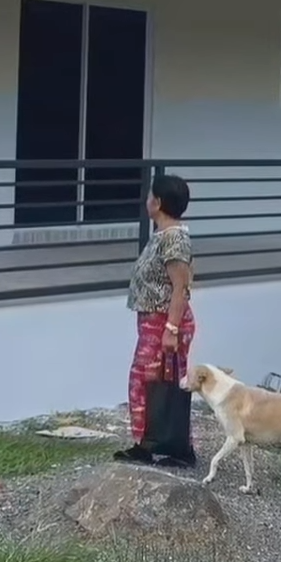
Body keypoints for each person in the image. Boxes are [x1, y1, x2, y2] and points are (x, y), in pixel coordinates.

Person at [115, 172, 195, 465]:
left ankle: (171, 446)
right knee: (149, 382)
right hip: (154, 321)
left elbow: (180, 287)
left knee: (154, 383)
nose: (147, 200)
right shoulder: (164, 236)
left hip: (164, 321)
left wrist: (171, 329)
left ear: (158, 202)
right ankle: (151, 442)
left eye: (150, 196)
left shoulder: (174, 239)